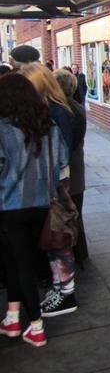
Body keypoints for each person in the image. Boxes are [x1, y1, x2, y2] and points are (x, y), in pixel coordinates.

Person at [0, 73, 68, 347]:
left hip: (9, 204)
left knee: (19, 263)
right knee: (17, 260)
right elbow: (62, 162)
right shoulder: (49, 125)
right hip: (41, 203)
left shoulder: (3, 129)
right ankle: (13, 317)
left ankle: (36, 326)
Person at [18, 63, 78, 316]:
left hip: (54, 185)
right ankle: (59, 287)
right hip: (50, 183)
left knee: (57, 238)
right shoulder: (51, 110)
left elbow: (61, 155)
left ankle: (66, 293)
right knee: (52, 240)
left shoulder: (57, 113)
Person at [53, 69, 89, 265]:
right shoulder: (76, 107)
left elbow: (65, 146)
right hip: (75, 168)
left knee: (68, 213)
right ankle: (80, 252)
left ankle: (75, 254)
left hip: (69, 170)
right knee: (76, 211)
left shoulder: (64, 111)